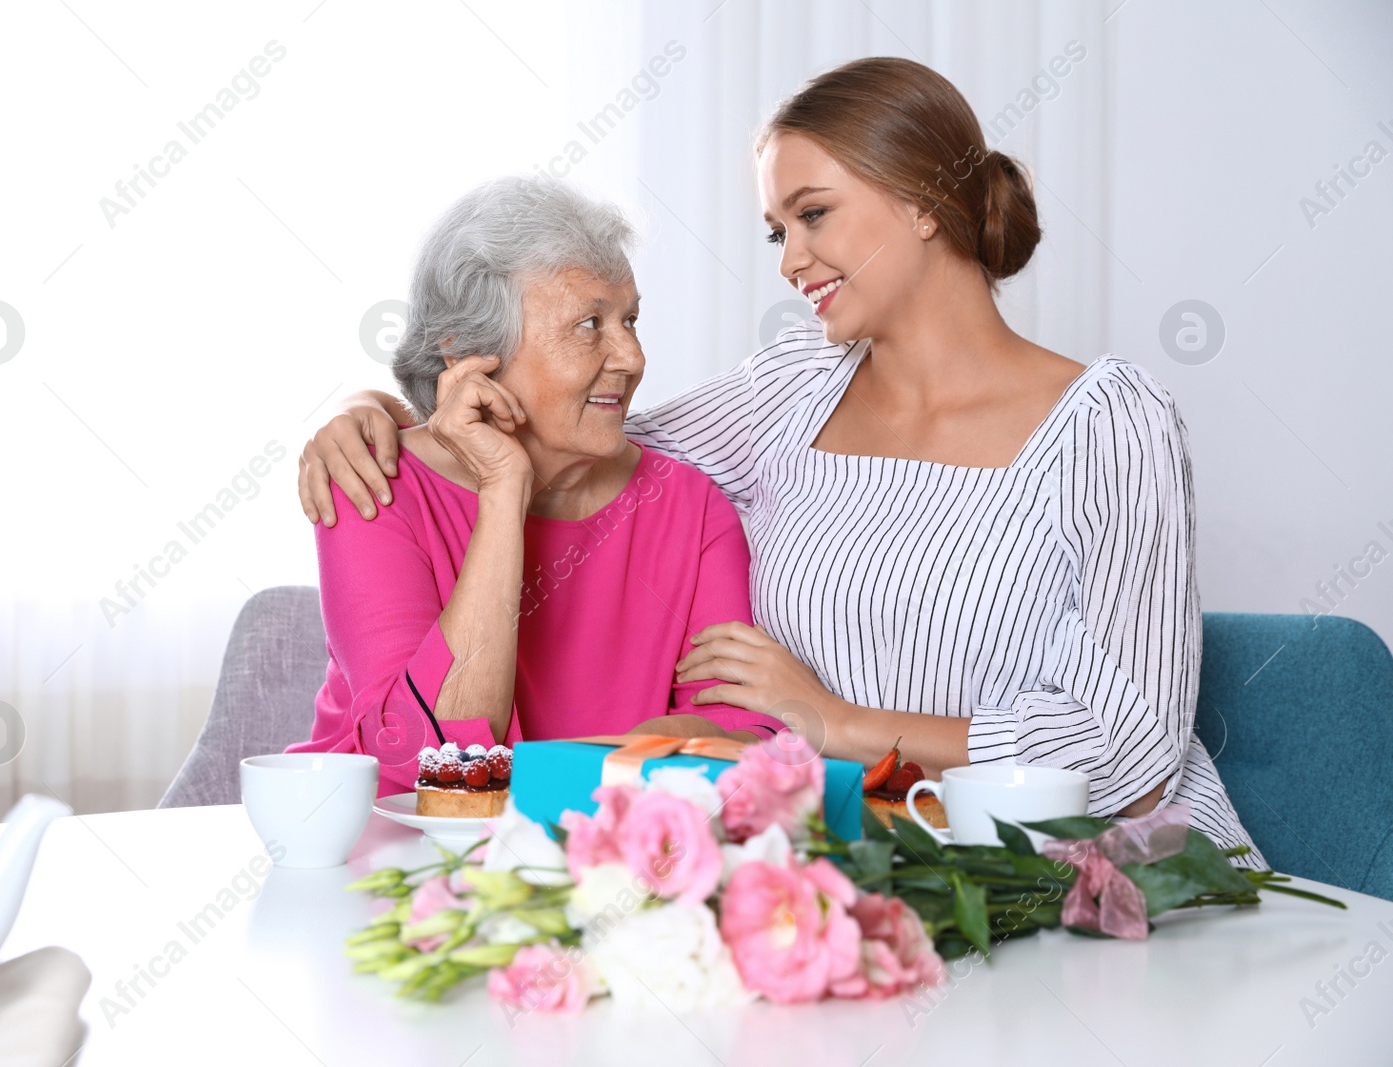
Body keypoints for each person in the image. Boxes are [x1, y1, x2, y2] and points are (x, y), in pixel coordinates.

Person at [295, 58, 1263, 861]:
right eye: (775, 229)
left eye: (812, 214)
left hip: (1092, 868)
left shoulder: (1108, 422)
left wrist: (836, 721)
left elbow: (1128, 748)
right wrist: (384, 402)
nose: (789, 259)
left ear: (924, 202)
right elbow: (572, 436)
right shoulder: (793, 390)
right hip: (867, 860)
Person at [284, 176, 784, 796]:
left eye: (629, 319)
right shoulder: (372, 482)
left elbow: (745, 738)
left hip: (601, 858)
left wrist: (583, 781)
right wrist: (503, 494)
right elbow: (424, 761)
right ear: (467, 353)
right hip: (386, 856)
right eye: (588, 325)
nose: (631, 357)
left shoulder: (689, 507)